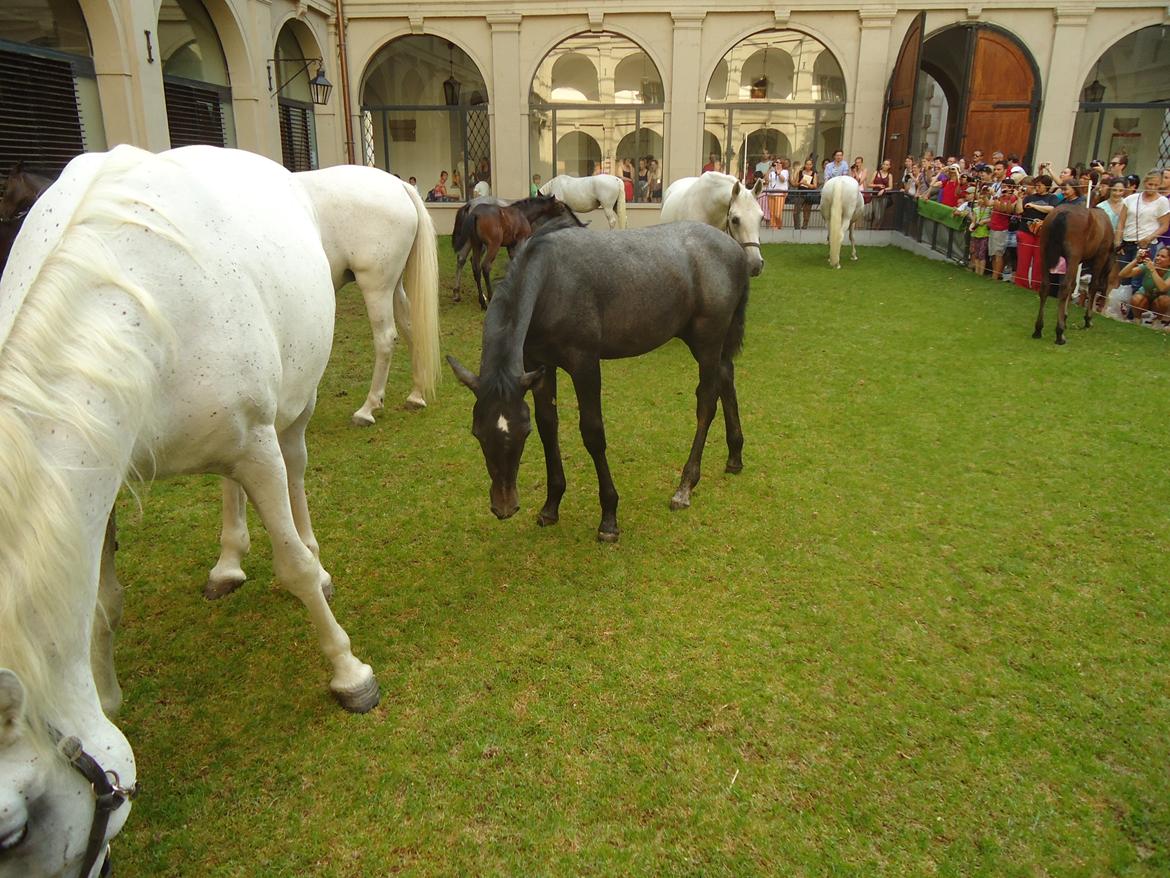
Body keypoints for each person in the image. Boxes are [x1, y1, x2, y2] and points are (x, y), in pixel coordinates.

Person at [1114, 170, 1170, 290]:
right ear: (1145, 183)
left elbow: (1164, 225)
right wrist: (1118, 242)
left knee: (1137, 281)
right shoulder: (1131, 199)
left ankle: (1132, 307)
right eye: (1150, 184)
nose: (1153, 188)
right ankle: (1121, 305)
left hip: (1146, 245)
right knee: (1123, 278)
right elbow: (1121, 222)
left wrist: (1149, 238)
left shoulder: (1162, 202)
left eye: (1156, 185)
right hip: (1127, 243)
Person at [1014, 175, 1059, 293]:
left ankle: (1037, 286)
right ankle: (1021, 284)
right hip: (1026, 231)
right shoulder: (1029, 197)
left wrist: (1034, 206)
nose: (1037, 188)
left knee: (1039, 261)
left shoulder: (1052, 197)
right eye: (1036, 185)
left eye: (1040, 185)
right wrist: (1019, 198)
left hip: (1042, 233)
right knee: (1024, 259)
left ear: (1047, 186)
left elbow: (1053, 209)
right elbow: (1019, 211)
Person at [1118, 246, 1170, 322]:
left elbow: (1163, 288)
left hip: (1161, 301)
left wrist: (1152, 270)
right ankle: (1137, 320)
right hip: (1146, 296)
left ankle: (1157, 322)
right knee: (1137, 299)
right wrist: (1136, 260)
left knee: (1164, 300)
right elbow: (1123, 274)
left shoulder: (1152, 267)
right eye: (1157, 255)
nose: (1158, 258)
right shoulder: (1148, 265)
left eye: (1163, 257)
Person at [989, 176, 1018, 280]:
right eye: (1003, 186)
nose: (1004, 189)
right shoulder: (1000, 195)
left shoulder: (1012, 198)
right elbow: (989, 204)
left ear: (1011, 188)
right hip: (994, 226)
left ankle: (995, 276)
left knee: (998, 253)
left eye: (1006, 187)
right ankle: (995, 274)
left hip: (1001, 228)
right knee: (993, 252)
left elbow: (1004, 210)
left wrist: (997, 197)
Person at [967, 187, 992, 277]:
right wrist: (971, 226)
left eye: (983, 198)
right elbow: (974, 221)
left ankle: (981, 272)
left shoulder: (989, 209)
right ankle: (977, 272)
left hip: (984, 233)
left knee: (982, 254)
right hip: (976, 233)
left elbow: (992, 218)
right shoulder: (975, 209)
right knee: (976, 253)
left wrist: (985, 221)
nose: (981, 200)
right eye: (980, 198)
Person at [794, 157, 819, 229]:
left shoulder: (814, 174)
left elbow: (815, 185)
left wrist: (807, 184)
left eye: (810, 164)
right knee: (796, 212)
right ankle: (797, 227)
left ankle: (804, 227)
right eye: (807, 164)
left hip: (808, 194)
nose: (808, 166)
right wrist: (800, 183)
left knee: (806, 212)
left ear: (812, 165)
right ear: (805, 165)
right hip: (800, 193)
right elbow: (795, 184)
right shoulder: (800, 172)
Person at [766, 158, 789, 229]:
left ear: (782, 164)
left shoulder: (785, 171)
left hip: (780, 194)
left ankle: (779, 226)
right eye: (776, 163)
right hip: (771, 194)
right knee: (772, 214)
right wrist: (770, 169)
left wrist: (778, 173)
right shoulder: (772, 173)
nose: (777, 164)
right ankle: (774, 229)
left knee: (777, 214)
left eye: (779, 163)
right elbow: (766, 180)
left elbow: (783, 180)